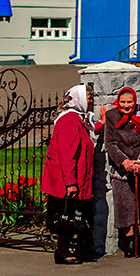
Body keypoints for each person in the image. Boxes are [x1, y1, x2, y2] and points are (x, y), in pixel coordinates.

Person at [42, 84, 97, 265]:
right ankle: (63, 252)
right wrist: (71, 183)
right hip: (66, 180)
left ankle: (73, 250)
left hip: (74, 177)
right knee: (67, 216)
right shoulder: (70, 120)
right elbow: (67, 154)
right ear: (79, 98)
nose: (91, 100)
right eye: (89, 97)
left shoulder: (77, 118)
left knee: (73, 215)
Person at [103, 87, 140, 258]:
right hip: (121, 168)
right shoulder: (111, 116)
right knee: (124, 205)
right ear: (118, 102)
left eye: (129, 102)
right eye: (123, 102)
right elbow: (110, 143)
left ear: (135, 101)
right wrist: (125, 161)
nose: (126, 106)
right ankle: (129, 241)